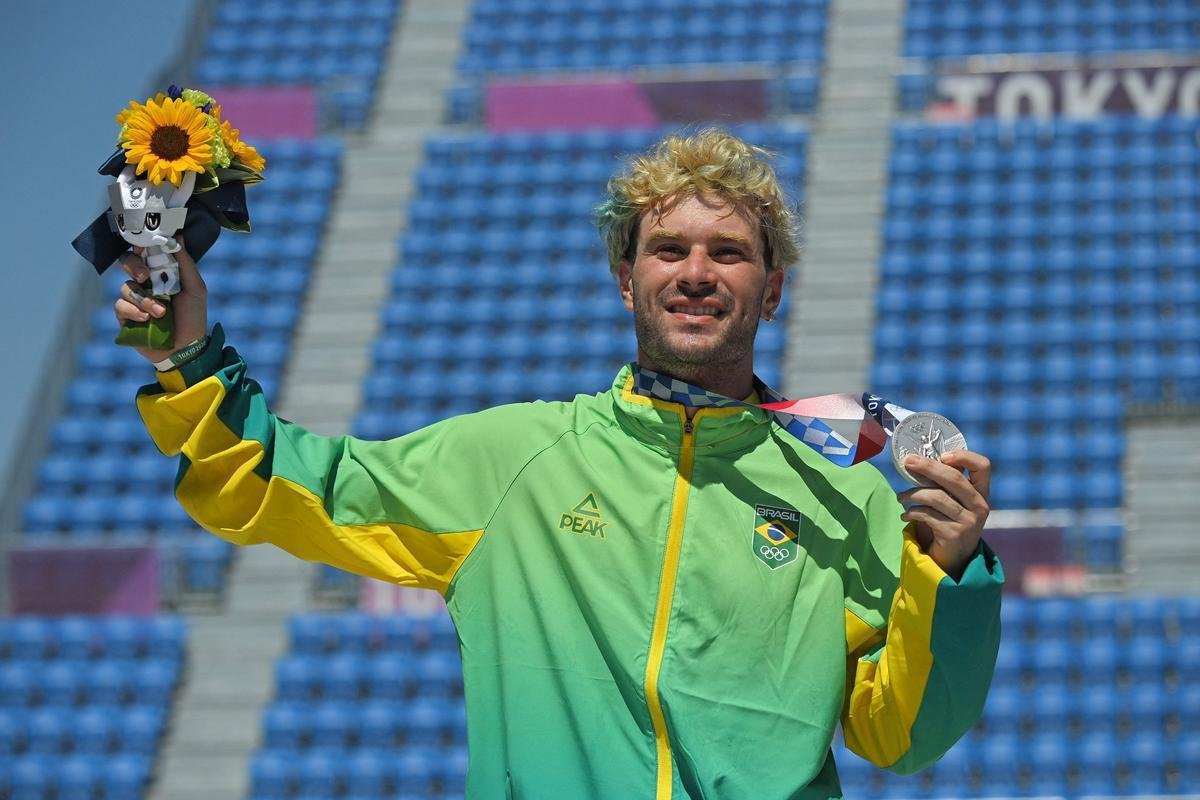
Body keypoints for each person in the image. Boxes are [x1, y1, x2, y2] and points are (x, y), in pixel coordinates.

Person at [113, 128, 1002, 799]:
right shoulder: (514, 458)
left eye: (728, 253)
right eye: (669, 250)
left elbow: (900, 734)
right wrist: (188, 359)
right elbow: (283, 484)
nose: (696, 272)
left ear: (772, 288)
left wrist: (948, 577)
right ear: (627, 279)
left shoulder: (846, 495)